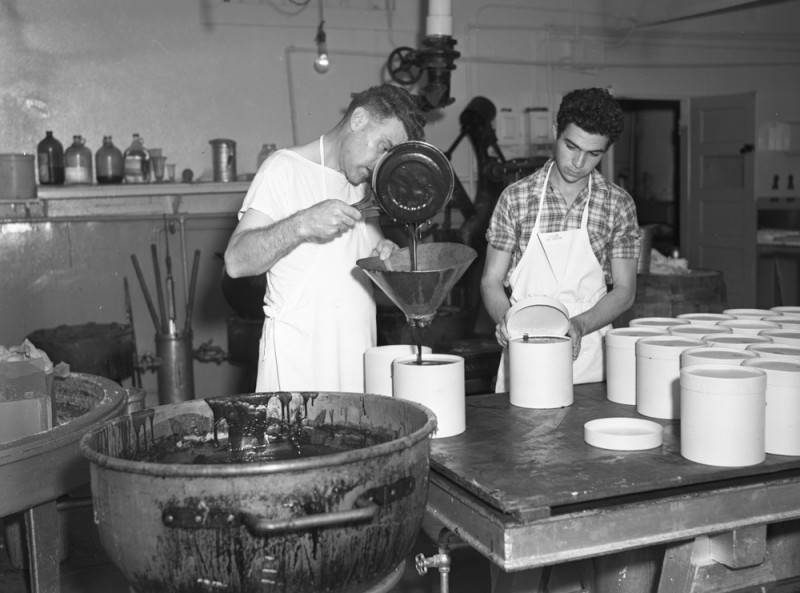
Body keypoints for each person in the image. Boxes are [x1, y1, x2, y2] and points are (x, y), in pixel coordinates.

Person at [224, 84, 426, 393]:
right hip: (299, 373)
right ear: (358, 119)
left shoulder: (365, 186)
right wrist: (302, 224)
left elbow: (360, 273)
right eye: (383, 147)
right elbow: (236, 262)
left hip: (358, 366)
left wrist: (386, 256)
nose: (381, 164)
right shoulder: (284, 169)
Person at [481, 87, 640, 390]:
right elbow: (491, 280)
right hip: (523, 346)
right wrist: (507, 322)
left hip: (590, 356)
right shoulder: (516, 199)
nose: (578, 162)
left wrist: (579, 325)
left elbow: (624, 290)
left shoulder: (617, 204)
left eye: (593, 154)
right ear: (556, 131)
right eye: (571, 146)